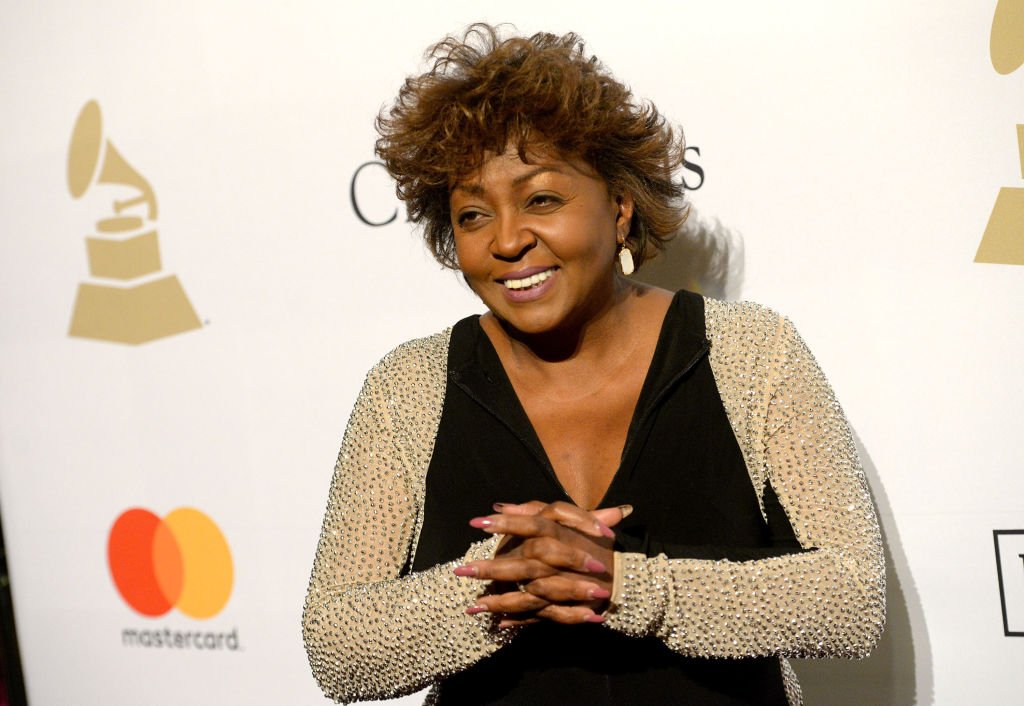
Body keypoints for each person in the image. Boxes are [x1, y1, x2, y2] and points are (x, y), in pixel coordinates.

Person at [303, 24, 885, 706]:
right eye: (471, 215)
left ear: (618, 208)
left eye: (542, 199)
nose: (509, 239)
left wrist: (626, 584)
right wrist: (503, 582)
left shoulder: (752, 353)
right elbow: (338, 650)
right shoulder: (410, 387)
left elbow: (850, 598)